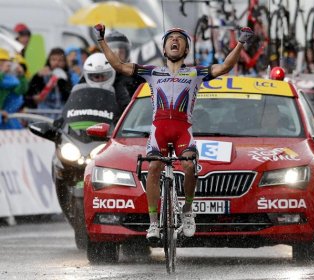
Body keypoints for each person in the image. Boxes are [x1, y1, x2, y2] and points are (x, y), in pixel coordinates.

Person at [94, 24, 254, 241]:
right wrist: (101, 41)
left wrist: (241, 43)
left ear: (186, 49)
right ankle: (153, 224)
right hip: (158, 130)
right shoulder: (152, 72)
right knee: (154, 168)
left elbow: (225, 66)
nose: (174, 41)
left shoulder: (195, 72)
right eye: (171, 38)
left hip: (182, 130)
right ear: (164, 48)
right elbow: (119, 66)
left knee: (189, 166)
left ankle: (188, 211)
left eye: (180, 38)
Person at [24, 47, 72, 119]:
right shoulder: (41, 75)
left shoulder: (68, 76)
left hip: (61, 116)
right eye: (53, 60)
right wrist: (37, 77)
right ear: (48, 61)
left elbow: (69, 97)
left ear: (65, 62)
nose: (56, 63)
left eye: (60, 60)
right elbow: (28, 95)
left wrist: (60, 81)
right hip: (43, 115)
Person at [105, 31, 145, 108]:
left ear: (127, 54)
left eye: (121, 52)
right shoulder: (99, 74)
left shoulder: (135, 77)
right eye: (114, 52)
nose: (118, 55)